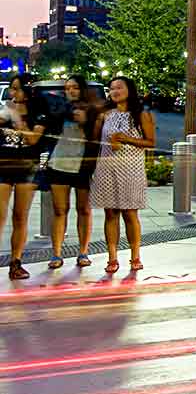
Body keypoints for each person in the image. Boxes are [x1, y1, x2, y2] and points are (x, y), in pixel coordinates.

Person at [90, 76, 153, 274]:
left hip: (131, 168)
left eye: (119, 87)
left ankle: (135, 256)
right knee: (110, 213)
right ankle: (112, 257)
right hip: (107, 167)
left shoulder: (141, 114)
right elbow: (95, 140)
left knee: (130, 213)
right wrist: (97, 121)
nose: (114, 91)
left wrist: (127, 139)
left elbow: (150, 142)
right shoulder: (106, 114)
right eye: (111, 89)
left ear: (129, 90)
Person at [44, 77, 100, 270]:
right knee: (60, 210)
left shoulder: (93, 110)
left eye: (75, 87)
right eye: (68, 88)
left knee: (84, 209)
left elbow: (98, 137)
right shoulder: (59, 110)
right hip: (59, 163)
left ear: (82, 89)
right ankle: (56, 253)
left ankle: (83, 252)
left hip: (83, 165)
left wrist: (87, 121)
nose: (71, 91)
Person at [2, 76, 46, 280]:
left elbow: (32, 139)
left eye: (17, 89)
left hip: (26, 168)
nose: (13, 93)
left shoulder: (39, 115)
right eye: (12, 89)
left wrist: (17, 118)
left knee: (20, 216)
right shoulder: (3, 112)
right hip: (2, 167)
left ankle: (15, 262)